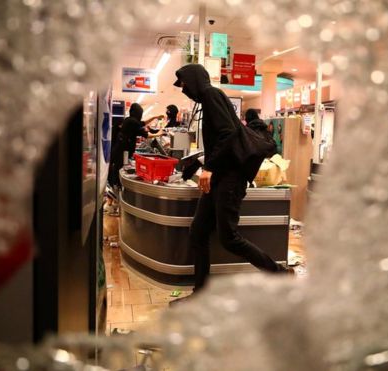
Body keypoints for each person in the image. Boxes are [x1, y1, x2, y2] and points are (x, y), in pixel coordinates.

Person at [172, 64, 291, 296]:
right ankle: (201, 294)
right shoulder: (209, 98)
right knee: (198, 231)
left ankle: (278, 273)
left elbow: (228, 133)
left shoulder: (211, 94)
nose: (183, 88)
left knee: (229, 238)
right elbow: (221, 139)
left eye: (184, 83)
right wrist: (204, 164)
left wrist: (208, 167)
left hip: (230, 178)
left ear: (194, 79)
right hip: (221, 176)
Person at [108, 103, 163, 188]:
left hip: (120, 149)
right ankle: (117, 187)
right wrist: (159, 134)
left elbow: (143, 123)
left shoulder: (129, 119)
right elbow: (147, 135)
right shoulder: (133, 122)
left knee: (117, 168)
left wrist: (155, 117)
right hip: (123, 151)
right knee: (119, 169)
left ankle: (116, 185)